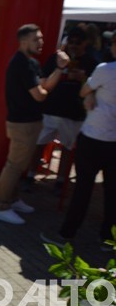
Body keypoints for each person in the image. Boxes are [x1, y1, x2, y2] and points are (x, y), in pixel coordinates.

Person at [42, 35, 116, 249]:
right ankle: (107, 239)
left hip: (94, 136)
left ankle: (67, 233)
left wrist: (90, 94)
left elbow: (84, 90)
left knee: (83, 189)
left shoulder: (105, 69)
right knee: (112, 192)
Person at [0, 24, 69, 225]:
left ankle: (12, 199)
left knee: (19, 165)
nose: (41, 42)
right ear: (24, 41)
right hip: (22, 123)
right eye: (37, 39)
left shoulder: (31, 63)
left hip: (31, 122)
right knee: (13, 166)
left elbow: (45, 86)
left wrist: (60, 69)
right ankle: (1, 206)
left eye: (41, 38)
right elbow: (40, 95)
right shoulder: (21, 64)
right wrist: (45, 88)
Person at [26, 26, 97, 191]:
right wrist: (63, 73)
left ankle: (60, 180)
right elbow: (43, 82)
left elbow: (95, 89)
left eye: (77, 42)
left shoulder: (91, 62)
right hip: (51, 109)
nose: (73, 45)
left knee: (67, 147)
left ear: (85, 43)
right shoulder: (55, 58)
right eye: (70, 41)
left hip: (73, 113)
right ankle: (30, 176)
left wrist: (83, 78)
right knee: (38, 144)